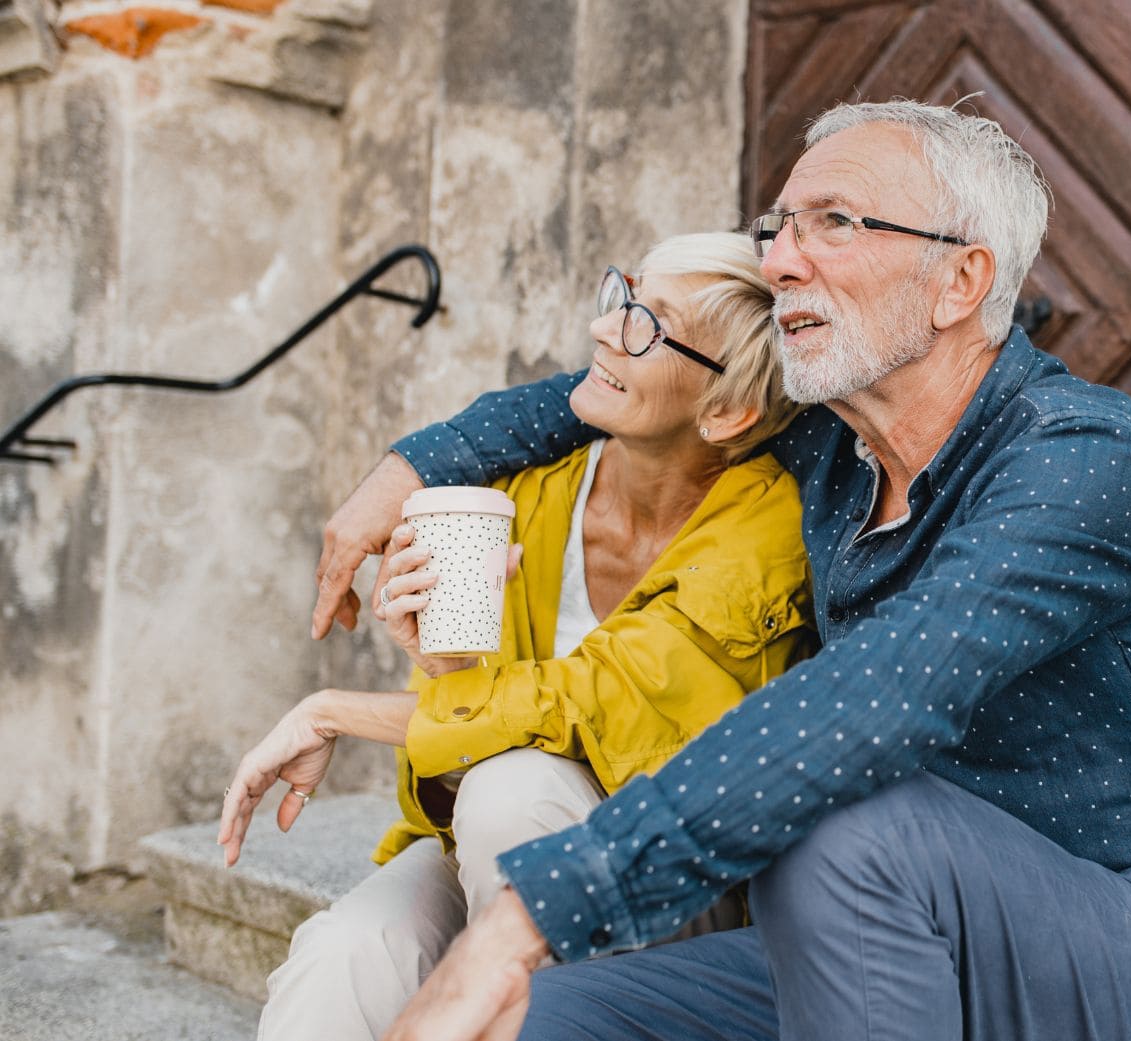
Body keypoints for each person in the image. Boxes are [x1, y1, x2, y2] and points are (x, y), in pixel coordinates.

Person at [318, 99, 1131, 1041]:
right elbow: (631, 385)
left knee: (843, 805)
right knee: (550, 1016)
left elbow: (880, 694)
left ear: (959, 282)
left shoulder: (1081, 461)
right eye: (778, 226)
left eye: (837, 225)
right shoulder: (831, 445)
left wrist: (524, 921)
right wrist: (406, 470)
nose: (778, 258)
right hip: (885, 924)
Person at [219, 232, 816, 1041]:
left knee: (516, 790)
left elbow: (592, 697)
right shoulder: (521, 496)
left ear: (728, 410)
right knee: (347, 952)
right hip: (496, 852)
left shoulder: (766, 523)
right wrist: (442, 661)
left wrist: (332, 711)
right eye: (622, 297)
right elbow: (462, 735)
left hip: (673, 871)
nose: (606, 331)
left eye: (648, 324)